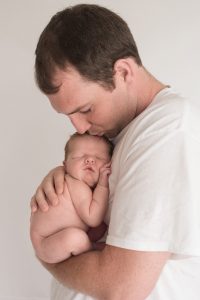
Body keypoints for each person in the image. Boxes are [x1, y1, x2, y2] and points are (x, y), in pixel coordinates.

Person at [30, 4, 200, 300]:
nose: (80, 128)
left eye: (85, 109)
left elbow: (121, 287)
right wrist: (65, 178)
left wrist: (47, 257)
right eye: (68, 116)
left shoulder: (166, 129)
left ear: (122, 72)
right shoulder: (120, 134)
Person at [30, 133, 112, 263]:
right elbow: (94, 218)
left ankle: (88, 242)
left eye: (99, 157)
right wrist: (103, 185)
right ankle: (92, 248)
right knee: (76, 238)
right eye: (79, 156)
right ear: (65, 165)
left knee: (100, 229)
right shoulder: (75, 185)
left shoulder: (73, 184)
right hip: (47, 242)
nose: (90, 159)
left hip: (49, 240)